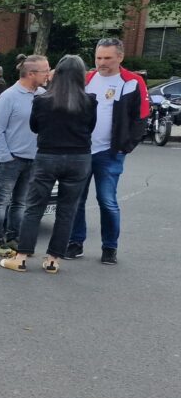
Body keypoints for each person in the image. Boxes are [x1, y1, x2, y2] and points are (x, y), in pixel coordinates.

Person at [0, 55, 97, 274]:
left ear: (57, 74)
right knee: (67, 211)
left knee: (34, 207)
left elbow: (35, 127)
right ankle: (53, 260)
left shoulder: (42, 100)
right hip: (79, 158)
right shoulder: (89, 101)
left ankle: (22, 257)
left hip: (48, 156)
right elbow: (90, 128)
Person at [64, 38, 149, 264]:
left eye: (107, 58)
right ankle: (75, 242)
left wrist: (125, 146)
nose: (102, 62)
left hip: (109, 153)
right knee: (77, 199)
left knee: (107, 200)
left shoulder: (132, 81)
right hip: (82, 151)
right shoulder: (88, 79)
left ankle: (110, 247)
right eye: (98, 57)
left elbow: (141, 116)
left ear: (120, 57)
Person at [0, 54, 50, 256]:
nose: (48, 74)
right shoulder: (8, 97)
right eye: (45, 71)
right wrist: (6, 157)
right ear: (31, 74)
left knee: (20, 202)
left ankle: (13, 238)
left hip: (32, 160)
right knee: (1, 201)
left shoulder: (42, 94)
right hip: (10, 160)